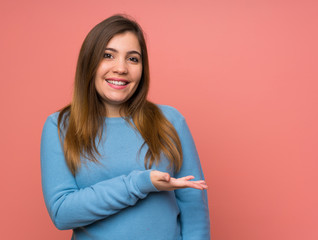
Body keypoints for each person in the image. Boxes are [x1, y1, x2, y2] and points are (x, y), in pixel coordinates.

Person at [40, 14, 210, 240]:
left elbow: (194, 208)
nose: (121, 68)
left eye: (133, 59)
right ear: (89, 62)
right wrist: (140, 183)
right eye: (108, 56)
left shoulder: (170, 121)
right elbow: (62, 213)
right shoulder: (59, 126)